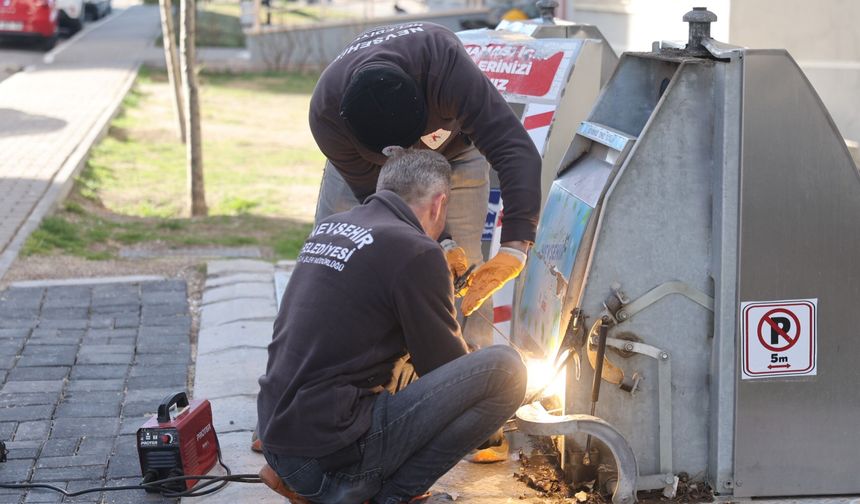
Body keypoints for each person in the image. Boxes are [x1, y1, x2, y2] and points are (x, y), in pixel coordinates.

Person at [256, 148, 527, 503]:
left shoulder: (332, 228)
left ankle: (313, 482)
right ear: (439, 205)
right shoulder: (416, 250)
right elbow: (446, 368)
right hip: (328, 456)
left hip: (279, 439)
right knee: (507, 369)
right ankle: (388, 495)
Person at [309, 21, 542, 351]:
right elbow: (378, 200)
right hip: (371, 174)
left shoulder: (445, 68)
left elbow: (514, 148)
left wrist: (515, 248)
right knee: (338, 252)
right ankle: (341, 363)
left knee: (467, 272)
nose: (409, 155)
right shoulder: (327, 116)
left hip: (455, 153)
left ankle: (473, 372)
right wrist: (439, 242)